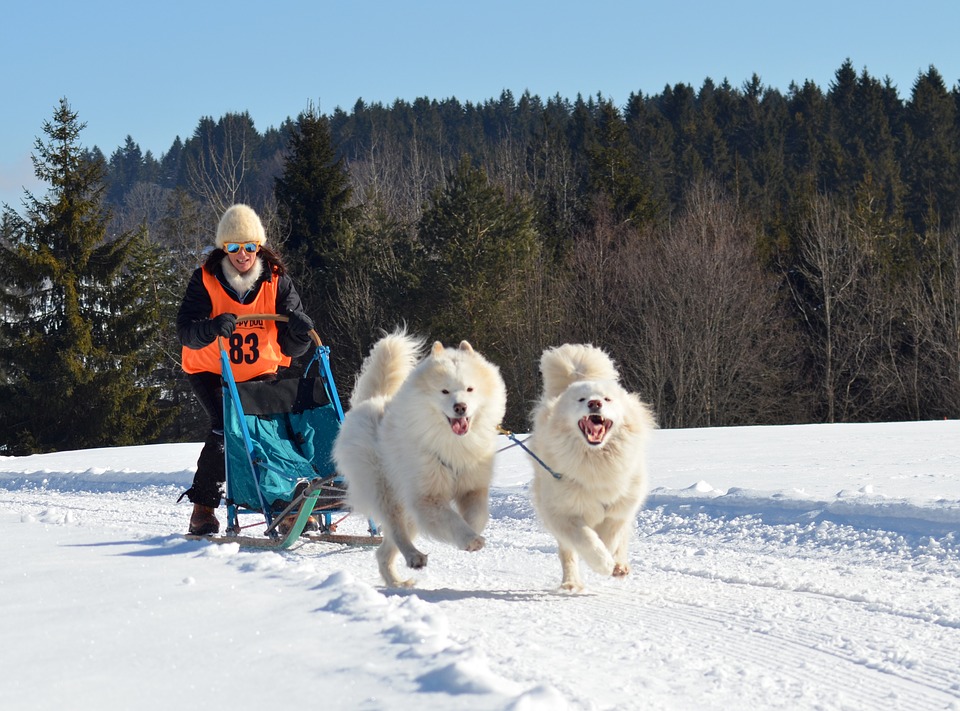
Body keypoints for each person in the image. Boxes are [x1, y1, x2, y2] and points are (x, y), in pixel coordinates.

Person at [177, 204, 315, 535]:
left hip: (258, 370)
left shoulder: (277, 280)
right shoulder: (206, 279)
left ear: (259, 247)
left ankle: (284, 502)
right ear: (225, 248)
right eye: (235, 247)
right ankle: (203, 508)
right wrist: (211, 328)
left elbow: (292, 344)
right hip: (212, 368)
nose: (243, 255)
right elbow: (186, 329)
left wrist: (299, 334)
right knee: (225, 427)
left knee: (267, 429)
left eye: (250, 247)